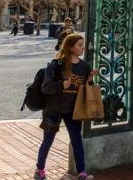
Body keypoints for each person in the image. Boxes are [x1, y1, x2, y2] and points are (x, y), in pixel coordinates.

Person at [35, 33, 98, 180]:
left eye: (83, 45)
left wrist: (89, 80)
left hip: (73, 110)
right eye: (79, 45)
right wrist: (60, 85)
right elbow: (45, 87)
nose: (83, 48)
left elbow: (85, 90)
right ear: (71, 47)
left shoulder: (84, 66)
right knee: (48, 141)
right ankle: (39, 170)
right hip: (53, 110)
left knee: (77, 140)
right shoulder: (56, 64)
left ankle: (82, 173)